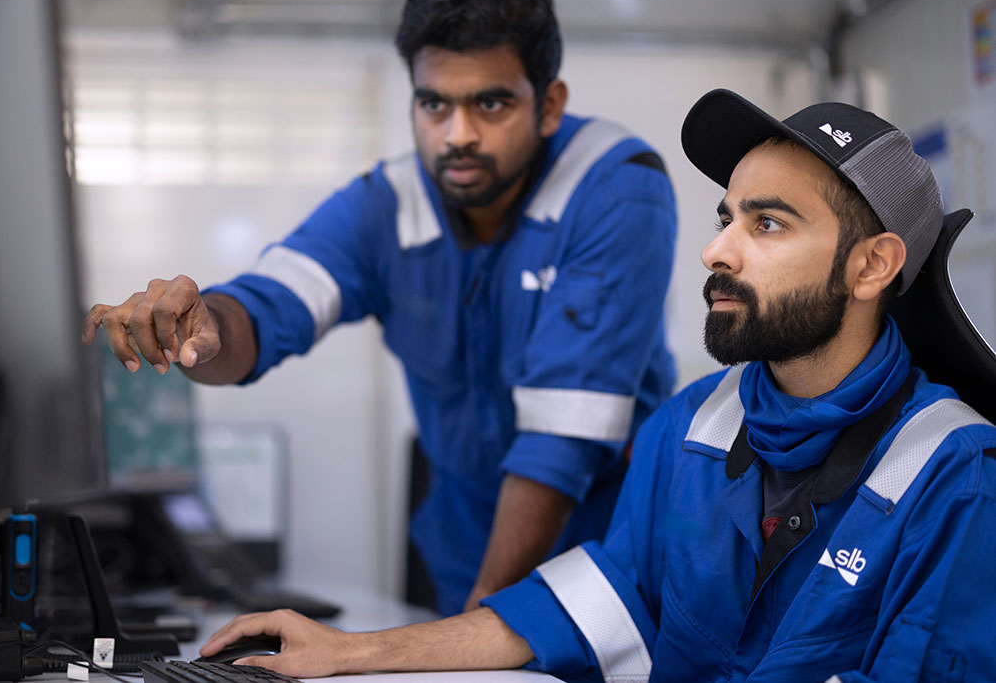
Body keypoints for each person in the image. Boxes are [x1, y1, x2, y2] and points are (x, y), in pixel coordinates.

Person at [195, 90, 996, 682]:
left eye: (768, 224)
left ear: (871, 266)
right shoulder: (690, 428)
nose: (719, 250)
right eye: (726, 217)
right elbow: (582, 606)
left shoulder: (957, 476)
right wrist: (349, 654)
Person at [82, 0, 677, 616]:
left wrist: (472, 637)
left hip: (610, 569)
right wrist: (209, 329)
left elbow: (561, 443)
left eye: (491, 102)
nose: (458, 135)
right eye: (434, 104)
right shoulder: (384, 204)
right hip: (464, 558)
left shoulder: (617, 186)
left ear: (549, 105)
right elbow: (268, 306)